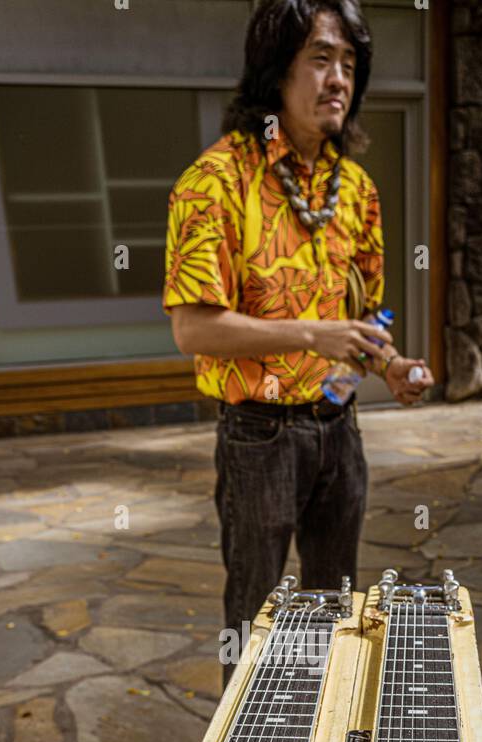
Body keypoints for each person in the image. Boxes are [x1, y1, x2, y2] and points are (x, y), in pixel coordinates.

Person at [162, 0, 434, 688]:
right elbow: (193, 328)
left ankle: (313, 738)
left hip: (338, 431)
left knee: (330, 608)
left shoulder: (358, 192)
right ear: (274, 72)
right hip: (259, 435)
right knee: (254, 612)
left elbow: (363, 319)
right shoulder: (216, 181)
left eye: (349, 62)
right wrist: (313, 334)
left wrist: (393, 366)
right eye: (319, 57)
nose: (337, 78)